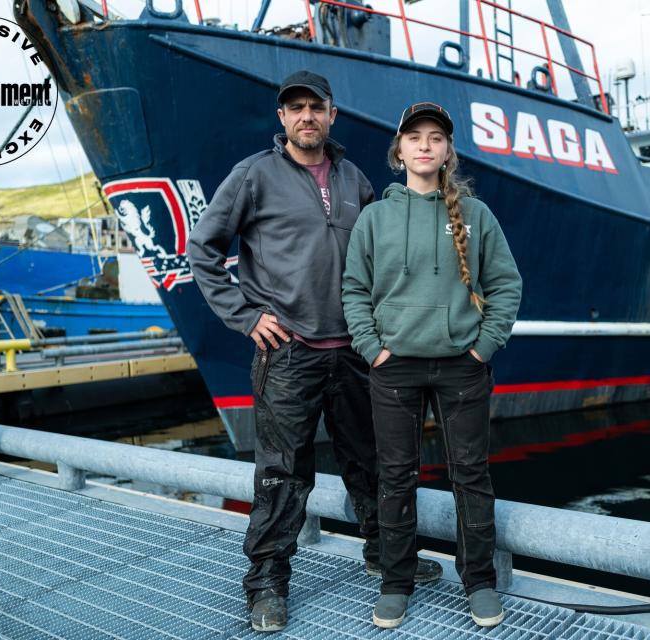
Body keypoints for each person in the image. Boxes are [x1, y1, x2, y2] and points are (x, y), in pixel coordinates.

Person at [187, 72, 442, 633]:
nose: (306, 116)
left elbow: (384, 258)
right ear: (282, 118)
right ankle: (266, 585)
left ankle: (384, 554)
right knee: (282, 473)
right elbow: (201, 250)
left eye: (316, 107)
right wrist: (247, 316)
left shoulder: (355, 179)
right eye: (295, 108)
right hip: (289, 354)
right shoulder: (253, 176)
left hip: (354, 351)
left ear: (332, 114)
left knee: (372, 460)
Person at [342, 102, 522, 629]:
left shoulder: (477, 215)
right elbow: (354, 289)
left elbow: (507, 285)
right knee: (395, 477)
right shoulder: (374, 218)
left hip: (461, 367)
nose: (425, 145)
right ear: (399, 151)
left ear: (447, 151)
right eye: (414, 137)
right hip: (393, 368)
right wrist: (372, 348)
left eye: (435, 138)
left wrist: (483, 346)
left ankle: (479, 582)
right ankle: (395, 582)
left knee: (470, 475)